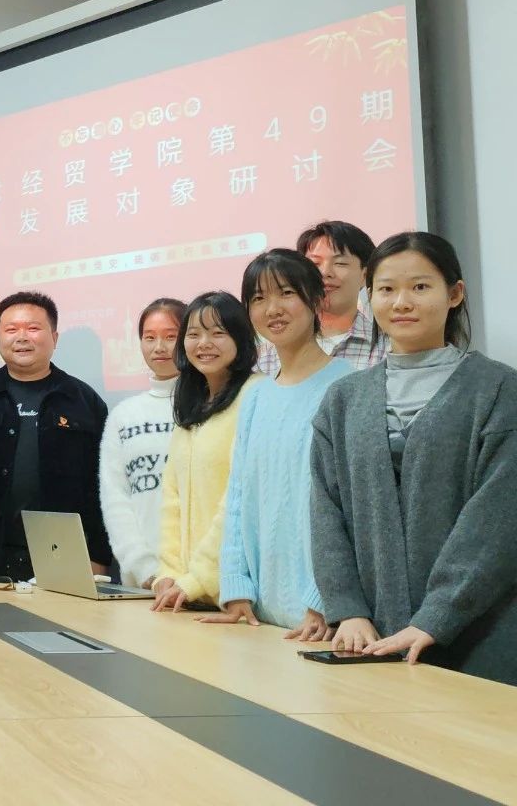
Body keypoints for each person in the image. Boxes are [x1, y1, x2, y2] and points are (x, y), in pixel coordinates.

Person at [311, 232, 517, 684]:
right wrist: (347, 610)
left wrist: (436, 617)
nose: (401, 302)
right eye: (386, 289)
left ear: (454, 294)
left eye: (420, 287)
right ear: (370, 298)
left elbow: (499, 519)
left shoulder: (499, 390)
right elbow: (327, 513)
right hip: (369, 638)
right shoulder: (342, 400)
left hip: (481, 635)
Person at [199, 251, 349, 639]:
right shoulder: (256, 396)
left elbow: (353, 506)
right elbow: (238, 496)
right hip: (260, 617)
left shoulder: (348, 387)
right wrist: (236, 587)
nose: (272, 309)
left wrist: (327, 597)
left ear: (317, 299)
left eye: (286, 293)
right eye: (258, 298)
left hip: (324, 620)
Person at [0, 291, 109, 581]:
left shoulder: (83, 402)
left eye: (33, 328)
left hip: (62, 554)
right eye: (11, 329)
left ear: (54, 338)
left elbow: (101, 485)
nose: (22, 337)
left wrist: (98, 554)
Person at [152, 291, 259, 612]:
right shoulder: (191, 402)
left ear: (240, 337)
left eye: (218, 333)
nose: (204, 343)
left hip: (238, 596)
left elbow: (238, 501)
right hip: (187, 596)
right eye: (194, 334)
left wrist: (197, 578)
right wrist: (169, 573)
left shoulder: (256, 394)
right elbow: (172, 498)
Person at [98, 297, 185, 589]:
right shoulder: (124, 415)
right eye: (149, 337)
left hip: (204, 581)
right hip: (142, 585)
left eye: (170, 337)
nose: (159, 347)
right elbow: (115, 500)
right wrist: (146, 570)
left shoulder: (210, 407)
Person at [258, 220, 388, 374]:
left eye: (340, 263)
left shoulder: (385, 347)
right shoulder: (267, 354)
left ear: (365, 276)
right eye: (315, 264)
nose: (325, 273)